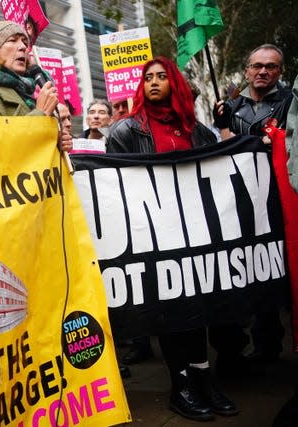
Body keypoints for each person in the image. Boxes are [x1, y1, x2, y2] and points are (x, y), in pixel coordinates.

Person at [108, 56, 237, 421]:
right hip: (153, 239)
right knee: (169, 313)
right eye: (148, 77)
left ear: (174, 83)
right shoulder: (126, 131)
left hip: (194, 237)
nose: (153, 82)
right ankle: (180, 386)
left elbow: (220, 167)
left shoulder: (196, 129)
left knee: (196, 311)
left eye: (162, 76)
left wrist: (226, 128)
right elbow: (114, 186)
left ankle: (202, 377)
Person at [212, 44, 293, 369]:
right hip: (239, 204)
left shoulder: (290, 104)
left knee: (272, 270)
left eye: (271, 67)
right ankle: (234, 347)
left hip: (278, 203)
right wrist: (222, 128)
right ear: (246, 70)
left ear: (279, 72)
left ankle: (269, 344)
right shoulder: (229, 107)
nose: (263, 71)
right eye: (257, 65)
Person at [0, 20, 72, 152]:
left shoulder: (26, 94)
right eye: (12, 40)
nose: (23, 47)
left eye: (25, 42)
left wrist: (57, 144)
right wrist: (40, 114)